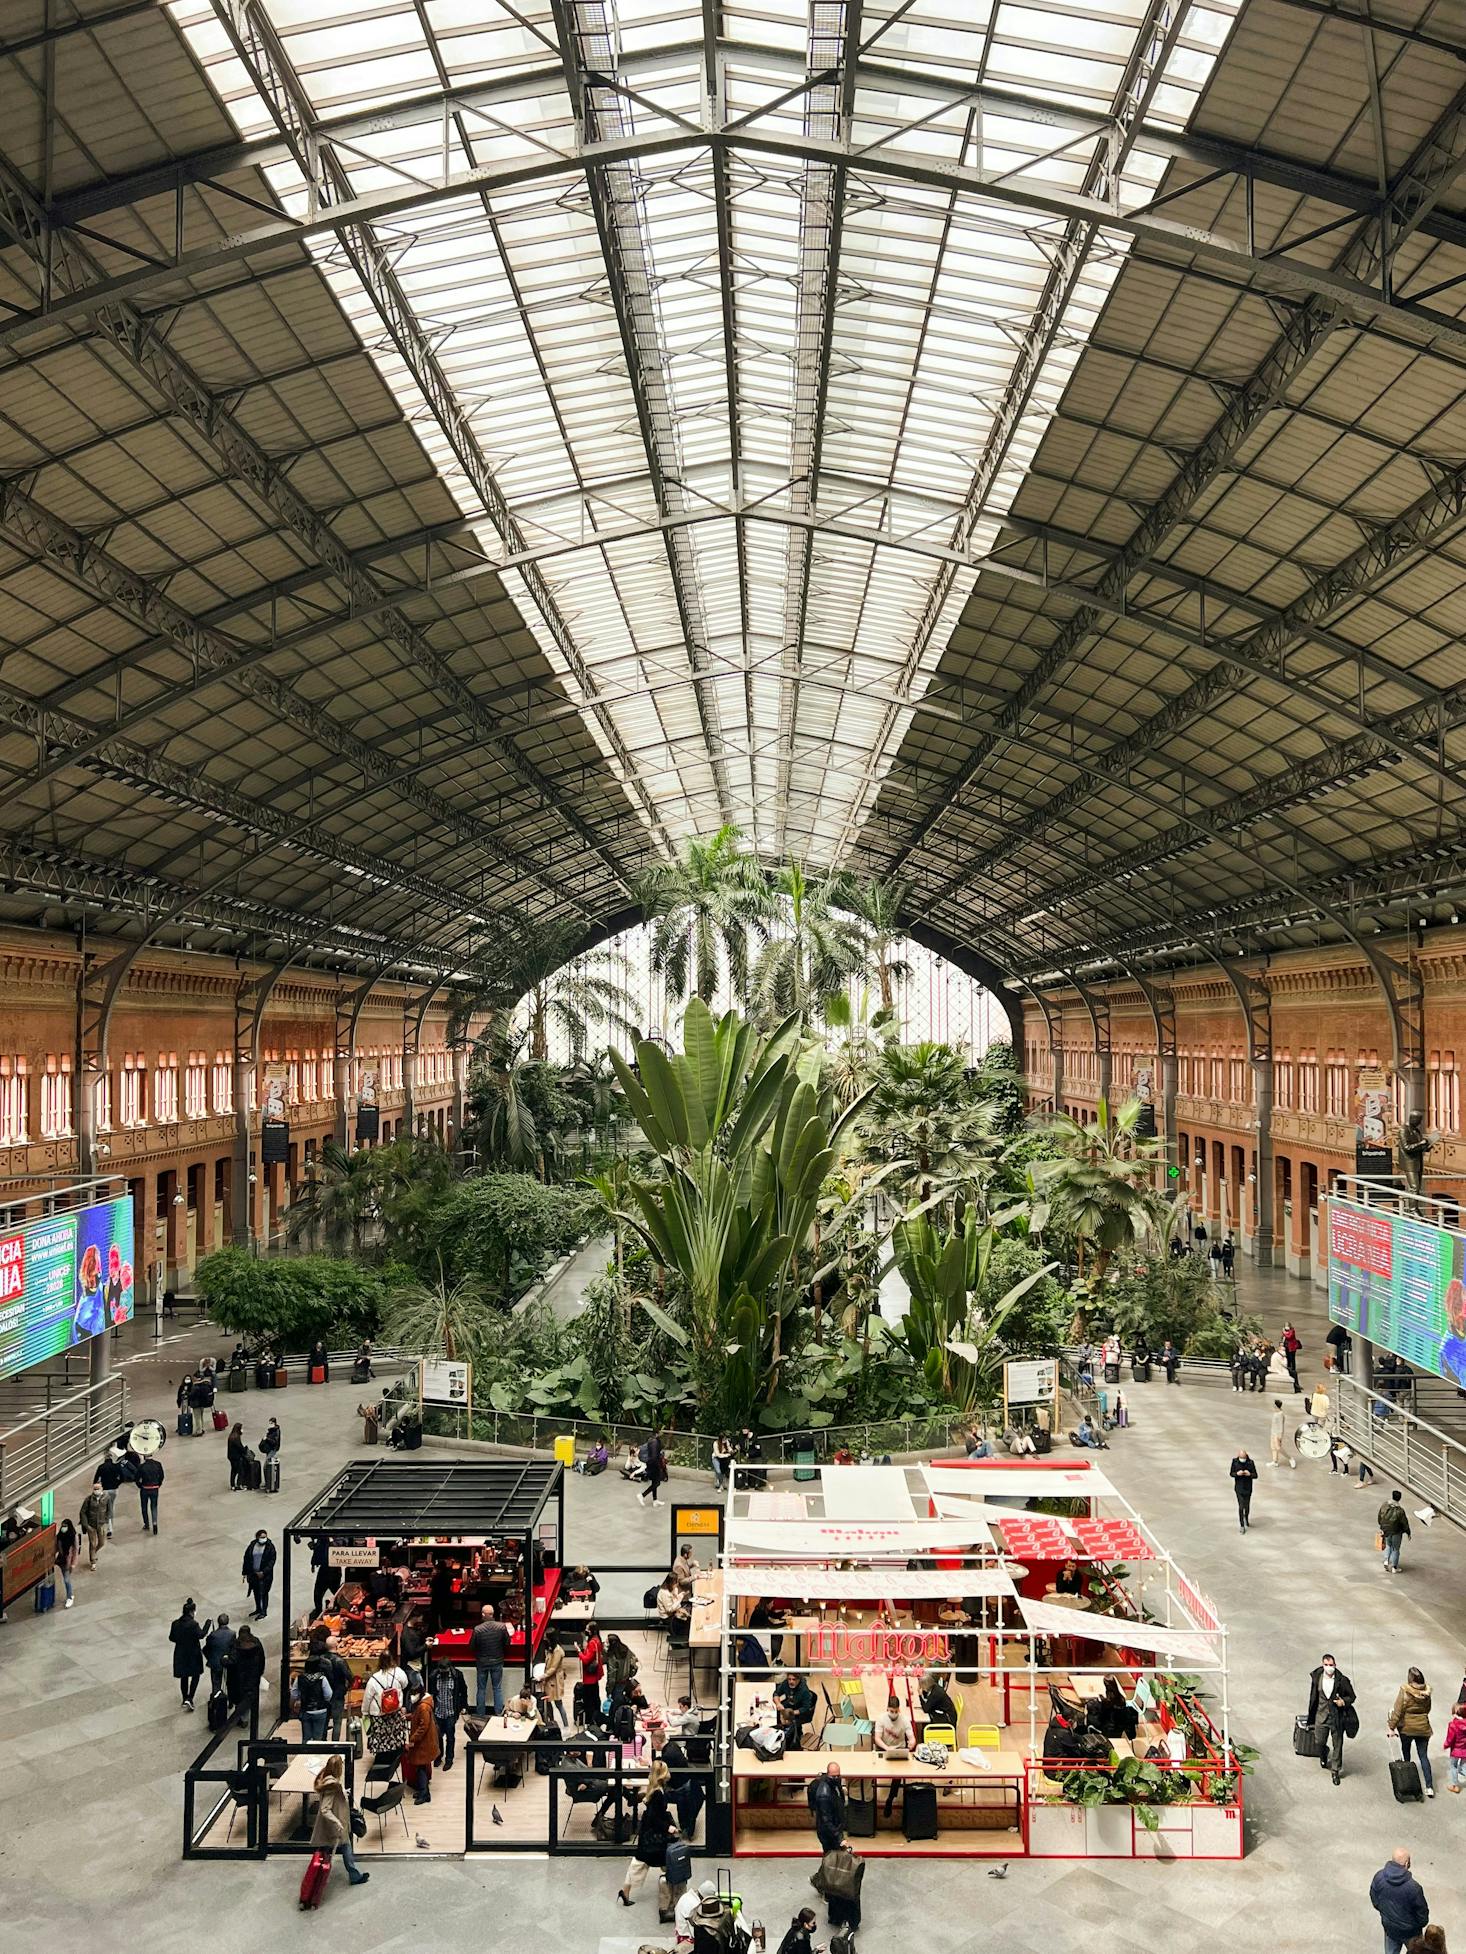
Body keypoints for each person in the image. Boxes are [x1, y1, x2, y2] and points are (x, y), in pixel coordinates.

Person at [615, 1758, 673, 1906]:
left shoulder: (653, 1790)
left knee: (639, 1863)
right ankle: (672, 1890)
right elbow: (656, 1817)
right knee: (664, 1861)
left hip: (648, 1834)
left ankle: (625, 1891)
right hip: (654, 1836)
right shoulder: (659, 1793)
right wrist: (668, 1827)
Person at [310, 1753, 369, 1888]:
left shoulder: (329, 1781)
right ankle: (353, 1876)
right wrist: (337, 1822)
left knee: (337, 1848)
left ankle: (317, 1877)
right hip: (337, 1824)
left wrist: (343, 1792)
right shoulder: (332, 1786)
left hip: (338, 1823)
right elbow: (326, 1809)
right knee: (343, 1847)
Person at [1306, 1652, 1358, 1784]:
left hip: (1337, 1717)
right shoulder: (1317, 1677)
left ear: (1335, 1665)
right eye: (1326, 1665)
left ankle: (1335, 1770)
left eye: (1331, 1665)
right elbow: (1314, 1697)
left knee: (1338, 1744)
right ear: (1322, 1665)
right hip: (1321, 1716)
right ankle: (1323, 1754)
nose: (1329, 1667)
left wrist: (1343, 1702)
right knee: (1319, 1741)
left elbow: (1352, 1696)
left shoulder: (1342, 1680)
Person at [1371, 1847, 1430, 1954]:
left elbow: (1374, 1898)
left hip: (1390, 1929)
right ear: (1407, 1863)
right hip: (1411, 1933)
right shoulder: (1413, 1888)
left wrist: (1385, 1914)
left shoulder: (1379, 1877)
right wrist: (1417, 1925)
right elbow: (1422, 1915)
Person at [1389, 1668, 1435, 1796]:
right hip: (1423, 1728)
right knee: (1423, 1756)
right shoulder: (1427, 1692)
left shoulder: (1405, 1691)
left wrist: (1391, 1727)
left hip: (1407, 1729)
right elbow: (1428, 1709)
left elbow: (1398, 1711)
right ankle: (1429, 1786)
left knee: (1406, 1754)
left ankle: (1408, 1782)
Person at [362, 1656, 411, 1767]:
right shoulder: (399, 1672)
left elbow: (368, 1697)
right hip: (395, 1711)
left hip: (379, 1714)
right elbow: (405, 1684)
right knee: (395, 1735)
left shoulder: (374, 1678)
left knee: (381, 1737)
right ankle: (396, 1758)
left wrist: (365, 1712)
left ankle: (382, 1760)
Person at [813, 1839, 865, 1934]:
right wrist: (839, 1838)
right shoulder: (856, 1861)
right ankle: (851, 1921)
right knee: (847, 1897)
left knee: (835, 1894)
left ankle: (835, 1918)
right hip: (847, 1890)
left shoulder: (831, 1857)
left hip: (833, 1885)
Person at [471, 1601, 511, 1716]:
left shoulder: (478, 1629)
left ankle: (480, 1714)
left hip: (482, 1662)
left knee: (481, 1689)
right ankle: (498, 1713)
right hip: (497, 1661)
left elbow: (472, 1646)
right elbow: (508, 1643)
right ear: (493, 1614)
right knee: (497, 1688)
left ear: (483, 1614)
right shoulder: (501, 1627)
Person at [401, 1681, 438, 1804]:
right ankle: (424, 1792)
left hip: (423, 1744)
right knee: (421, 1767)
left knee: (420, 1767)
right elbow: (418, 1717)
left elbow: (423, 1726)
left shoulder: (423, 1707)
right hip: (425, 1742)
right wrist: (407, 1717)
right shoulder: (423, 1705)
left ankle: (424, 1794)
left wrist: (413, 1738)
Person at [429, 1656, 468, 1768]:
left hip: (451, 1711)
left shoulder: (457, 1676)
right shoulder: (433, 1677)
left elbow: (463, 1691)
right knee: (437, 1736)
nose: (444, 1674)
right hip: (438, 1711)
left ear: (450, 1668)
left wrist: (464, 1706)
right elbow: (431, 1693)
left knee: (450, 1737)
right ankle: (438, 1756)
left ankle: (449, 1759)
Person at [225, 1623, 267, 1725]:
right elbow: (262, 1658)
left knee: (239, 1697)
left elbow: (232, 1662)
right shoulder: (256, 1643)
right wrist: (260, 1671)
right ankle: (245, 1718)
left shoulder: (236, 1645)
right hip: (252, 1676)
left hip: (238, 1677)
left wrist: (224, 1660)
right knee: (249, 1696)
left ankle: (240, 1716)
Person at [168, 1597, 207, 1706]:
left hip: (180, 1652)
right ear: (192, 1612)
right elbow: (201, 1635)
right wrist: (207, 1625)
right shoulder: (193, 1624)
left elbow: (171, 1638)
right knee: (196, 1674)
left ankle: (185, 1697)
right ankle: (190, 1697)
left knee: (184, 1676)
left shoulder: (175, 1623)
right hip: (193, 1653)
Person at [807, 1760, 846, 1853]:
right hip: (828, 1833)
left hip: (835, 1828)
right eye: (833, 1776)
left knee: (835, 1860)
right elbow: (826, 1820)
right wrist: (839, 1838)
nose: (836, 1778)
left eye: (838, 1775)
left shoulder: (834, 1784)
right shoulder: (823, 1794)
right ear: (828, 1774)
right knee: (831, 1860)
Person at [773, 1668, 816, 1750]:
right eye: (789, 1679)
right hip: (789, 1706)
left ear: (798, 1679)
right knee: (776, 1718)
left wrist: (791, 1713)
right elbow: (776, 1693)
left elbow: (806, 1708)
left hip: (800, 1712)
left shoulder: (804, 1691)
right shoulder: (786, 1683)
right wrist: (778, 1703)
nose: (791, 1682)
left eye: (793, 1679)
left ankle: (792, 1740)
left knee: (792, 1730)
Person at [575, 1622, 605, 1727]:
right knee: (596, 1697)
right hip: (595, 1676)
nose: (586, 1630)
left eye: (587, 1629)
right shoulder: (598, 1640)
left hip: (590, 1677)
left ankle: (590, 1720)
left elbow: (586, 1660)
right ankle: (597, 1718)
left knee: (589, 1700)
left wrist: (579, 1651)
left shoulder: (592, 1643)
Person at [242, 1528, 276, 1619]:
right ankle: (258, 1609)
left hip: (264, 1576)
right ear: (257, 1537)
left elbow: (272, 1561)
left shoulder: (270, 1547)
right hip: (253, 1574)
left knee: (264, 1592)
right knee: (256, 1592)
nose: (263, 1539)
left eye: (265, 1537)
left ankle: (264, 1611)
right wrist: (245, 1572)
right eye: (261, 1537)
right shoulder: (252, 1545)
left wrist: (264, 1572)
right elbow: (246, 1558)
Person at [1379, 1489, 1412, 1573]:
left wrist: (1382, 1528)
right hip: (1396, 1532)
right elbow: (1404, 1522)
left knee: (1388, 1546)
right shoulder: (1400, 1510)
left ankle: (1386, 1561)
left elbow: (1380, 1517)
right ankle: (1394, 1567)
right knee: (1396, 1549)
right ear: (1399, 1498)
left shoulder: (1385, 1505)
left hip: (1386, 1530)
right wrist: (1408, 1532)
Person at [540, 1633, 568, 1728]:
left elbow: (553, 1668)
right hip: (549, 1680)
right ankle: (552, 1723)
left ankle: (566, 1725)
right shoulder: (551, 1649)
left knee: (558, 1704)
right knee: (548, 1703)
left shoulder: (558, 1651)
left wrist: (542, 1676)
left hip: (555, 1681)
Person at [79, 1481, 109, 1568]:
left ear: (102, 1488)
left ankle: (94, 1552)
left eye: (98, 1488)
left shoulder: (106, 1497)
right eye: (95, 1489)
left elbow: (109, 1509)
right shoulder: (88, 1499)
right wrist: (86, 1525)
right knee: (92, 1543)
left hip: (101, 1524)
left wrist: (106, 1520)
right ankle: (93, 1561)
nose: (96, 1490)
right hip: (91, 1525)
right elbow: (82, 1512)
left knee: (102, 1542)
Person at [205, 1612, 236, 1696]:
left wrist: (210, 1658)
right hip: (228, 1661)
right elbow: (233, 1648)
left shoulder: (213, 1634)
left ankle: (216, 1699)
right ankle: (230, 1699)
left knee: (216, 1682)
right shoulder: (232, 1633)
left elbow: (207, 1648)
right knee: (229, 1681)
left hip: (216, 1662)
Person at [1229, 1448, 1258, 1533]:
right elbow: (1231, 1473)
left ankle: (1246, 1518)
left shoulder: (1250, 1463)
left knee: (1247, 1506)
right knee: (1241, 1506)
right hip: (1239, 1488)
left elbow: (1255, 1475)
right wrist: (1237, 1474)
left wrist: (1250, 1474)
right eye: (1241, 1457)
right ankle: (1242, 1525)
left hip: (1248, 1488)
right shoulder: (1235, 1462)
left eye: (1244, 1458)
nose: (1242, 1459)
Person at [96, 1449, 123, 1536]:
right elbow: (122, 1477)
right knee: (111, 1506)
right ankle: (111, 1523)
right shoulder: (116, 1467)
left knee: (107, 1508)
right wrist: (117, 1483)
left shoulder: (101, 1467)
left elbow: (96, 1480)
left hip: (105, 1490)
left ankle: (109, 1529)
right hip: (114, 1490)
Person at [137, 1449, 163, 1533]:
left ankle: (147, 1524)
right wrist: (158, 1484)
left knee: (144, 1507)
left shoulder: (141, 1466)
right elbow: (162, 1476)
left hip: (145, 1488)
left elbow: (136, 1478)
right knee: (154, 1506)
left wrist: (140, 1486)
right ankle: (155, 1523)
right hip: (154, 1488)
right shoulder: (158, 1464)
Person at [639, 1429, 667, 1505]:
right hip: (654, 1465)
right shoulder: (654, 1442)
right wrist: (659, 1464)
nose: (662, 1433)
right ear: (657, 1433)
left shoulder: (652, 1440)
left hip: (652, 1464)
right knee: (657, 1483)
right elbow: (654, 1456)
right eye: (660, 1431)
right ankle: (642, 1495)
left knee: (655, 1482)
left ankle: (655, 1500)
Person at [1267, 1399, 1295, 1469]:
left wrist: (1280, 1436)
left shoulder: (1280, 1414)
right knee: (1273, 1447)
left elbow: (1280, 1426)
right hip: (1273, 1432)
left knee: (1278, 1447)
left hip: (1277, 1433)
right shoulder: (1276, 1413)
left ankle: (1290, 1458)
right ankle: (1275, 1461)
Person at [226, 1421, 248, 1490]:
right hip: (236, 1457)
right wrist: (245, 1450)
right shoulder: (236, 1437)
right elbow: (240, 1447)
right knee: (241, 1471)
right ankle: (239, 1485)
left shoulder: (231, 1436)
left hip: (230, 1456)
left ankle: (232, 1485)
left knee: (234, 1470)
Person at [1282, 1322, 1302, 1390]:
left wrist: (1284, 1333)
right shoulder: (1285, 1331)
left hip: (1292, 1347)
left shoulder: (1292, 1331)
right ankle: (1288, 1368)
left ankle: (1293, 1369)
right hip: (1287, 1346)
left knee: (1292, 1358)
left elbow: (1289, 1337)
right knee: (1288, 1358)